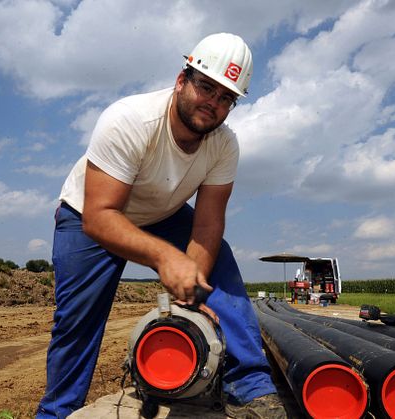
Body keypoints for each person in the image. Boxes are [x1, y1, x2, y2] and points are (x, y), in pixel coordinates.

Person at [36, 33, 287, 419]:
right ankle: (57, 413)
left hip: (162, 211)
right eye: (207, 87)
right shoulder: (130, 120)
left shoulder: (223, 145)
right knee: (78, 322)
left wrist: (193, 293)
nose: (214, 103)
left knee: (220, 258)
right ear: (181, 79)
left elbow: (207, 226)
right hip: (90, 213)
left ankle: (252, 389)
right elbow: (100, 217)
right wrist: (165, 257)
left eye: (226, 98)